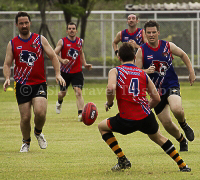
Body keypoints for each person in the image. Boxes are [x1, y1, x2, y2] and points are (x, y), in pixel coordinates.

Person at [98, 42, 191, 172]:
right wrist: (145, 107)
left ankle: (122, 159)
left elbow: (110, 88)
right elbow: (157, 98)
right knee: (158, 138)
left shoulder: (116, 71)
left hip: (127, 119)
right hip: (146, 116)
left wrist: (109, 102)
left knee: (102, 127)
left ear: (119, 58)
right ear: (135, 58)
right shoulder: (142, 74)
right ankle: (183, 165)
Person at [3, 11, 66, 152]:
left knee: (41, 112)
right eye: (21, 23)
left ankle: (38, 132)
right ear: (16, 25)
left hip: (39, 83)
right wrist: (7, 78)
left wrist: (57, 74)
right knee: (25, 118)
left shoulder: (40, 40)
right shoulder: (12, 43)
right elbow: (7, 64)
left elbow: (54, 56)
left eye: (26, 22)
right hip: (21, 84)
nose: (24, 25)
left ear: (30, 23)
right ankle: (26, 142)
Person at [135, 20, 195, 152]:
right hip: (156, 92)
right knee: (167, 123)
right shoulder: (141, 51)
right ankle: (181, 140)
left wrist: (191, 71)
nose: (151, 35)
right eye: (148, 32)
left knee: (177, 109)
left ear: (158, 33)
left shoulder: (167, 46)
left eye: (154, 32)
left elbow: (183, 55)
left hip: (171, 85)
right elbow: (136, 72)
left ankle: (184, 125)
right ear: (145, 34)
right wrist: (146, 71)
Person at [55, 22, 92, 122]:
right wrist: (62, 60)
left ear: (76, 30)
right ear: (67, 31)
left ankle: (81, 114)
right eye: (69, 29)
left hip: (77, 72)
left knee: (78, 92)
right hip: (64, 72)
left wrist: (85, 64)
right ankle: (59, 102)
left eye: (73, 28)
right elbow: (54, 54)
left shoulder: (80, 41)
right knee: (62, 93)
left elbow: (81, 53)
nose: (71, 30)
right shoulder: (62, 41)